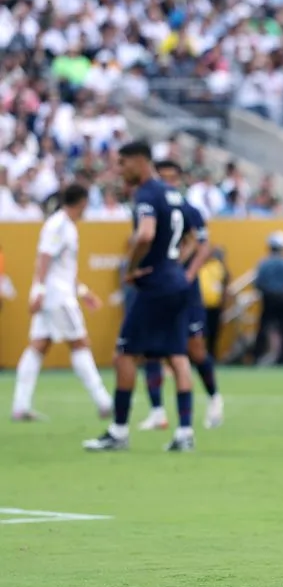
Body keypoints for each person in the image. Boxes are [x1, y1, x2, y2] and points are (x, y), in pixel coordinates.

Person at [83, 140, 196, 452]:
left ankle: (119, 431)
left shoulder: (147, 193)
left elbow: (145, 234)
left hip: (156, 283)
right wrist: (174, 264)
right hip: (175, 281)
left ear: (139, 161)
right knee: (177, 356)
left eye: (123, 163)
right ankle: (185, 432)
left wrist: (131, 267)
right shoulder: (174, 194)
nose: (120, 170)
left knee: (124, 354)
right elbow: (192, 237)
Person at [11, 183, 113, 421]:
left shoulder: (66, 225)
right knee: (79, 343)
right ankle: (104, 401)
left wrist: (83, 290)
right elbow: (44, 258)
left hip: (56, 293)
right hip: (57, 297)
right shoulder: (58, 226)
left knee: (39, 345)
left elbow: (62, 267)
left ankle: (20, 405)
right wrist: (38, 289)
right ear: (83, 202)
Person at [137, 160, 224, 431]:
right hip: (157, 285)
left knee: (194, 349)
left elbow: (203, 244)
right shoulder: (150, 204)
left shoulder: (188, 209)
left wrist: (187, 273)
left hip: (183, 289)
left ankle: (214, 397)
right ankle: (157, 411)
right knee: (151, 350)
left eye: (172, 178)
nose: (168, 182)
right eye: (163, 177)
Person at [253, 232, 283, 364]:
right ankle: (282, 358)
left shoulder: (264, 263)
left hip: (268, 297)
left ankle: (257, 356)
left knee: (263, 326)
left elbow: (258, 282)